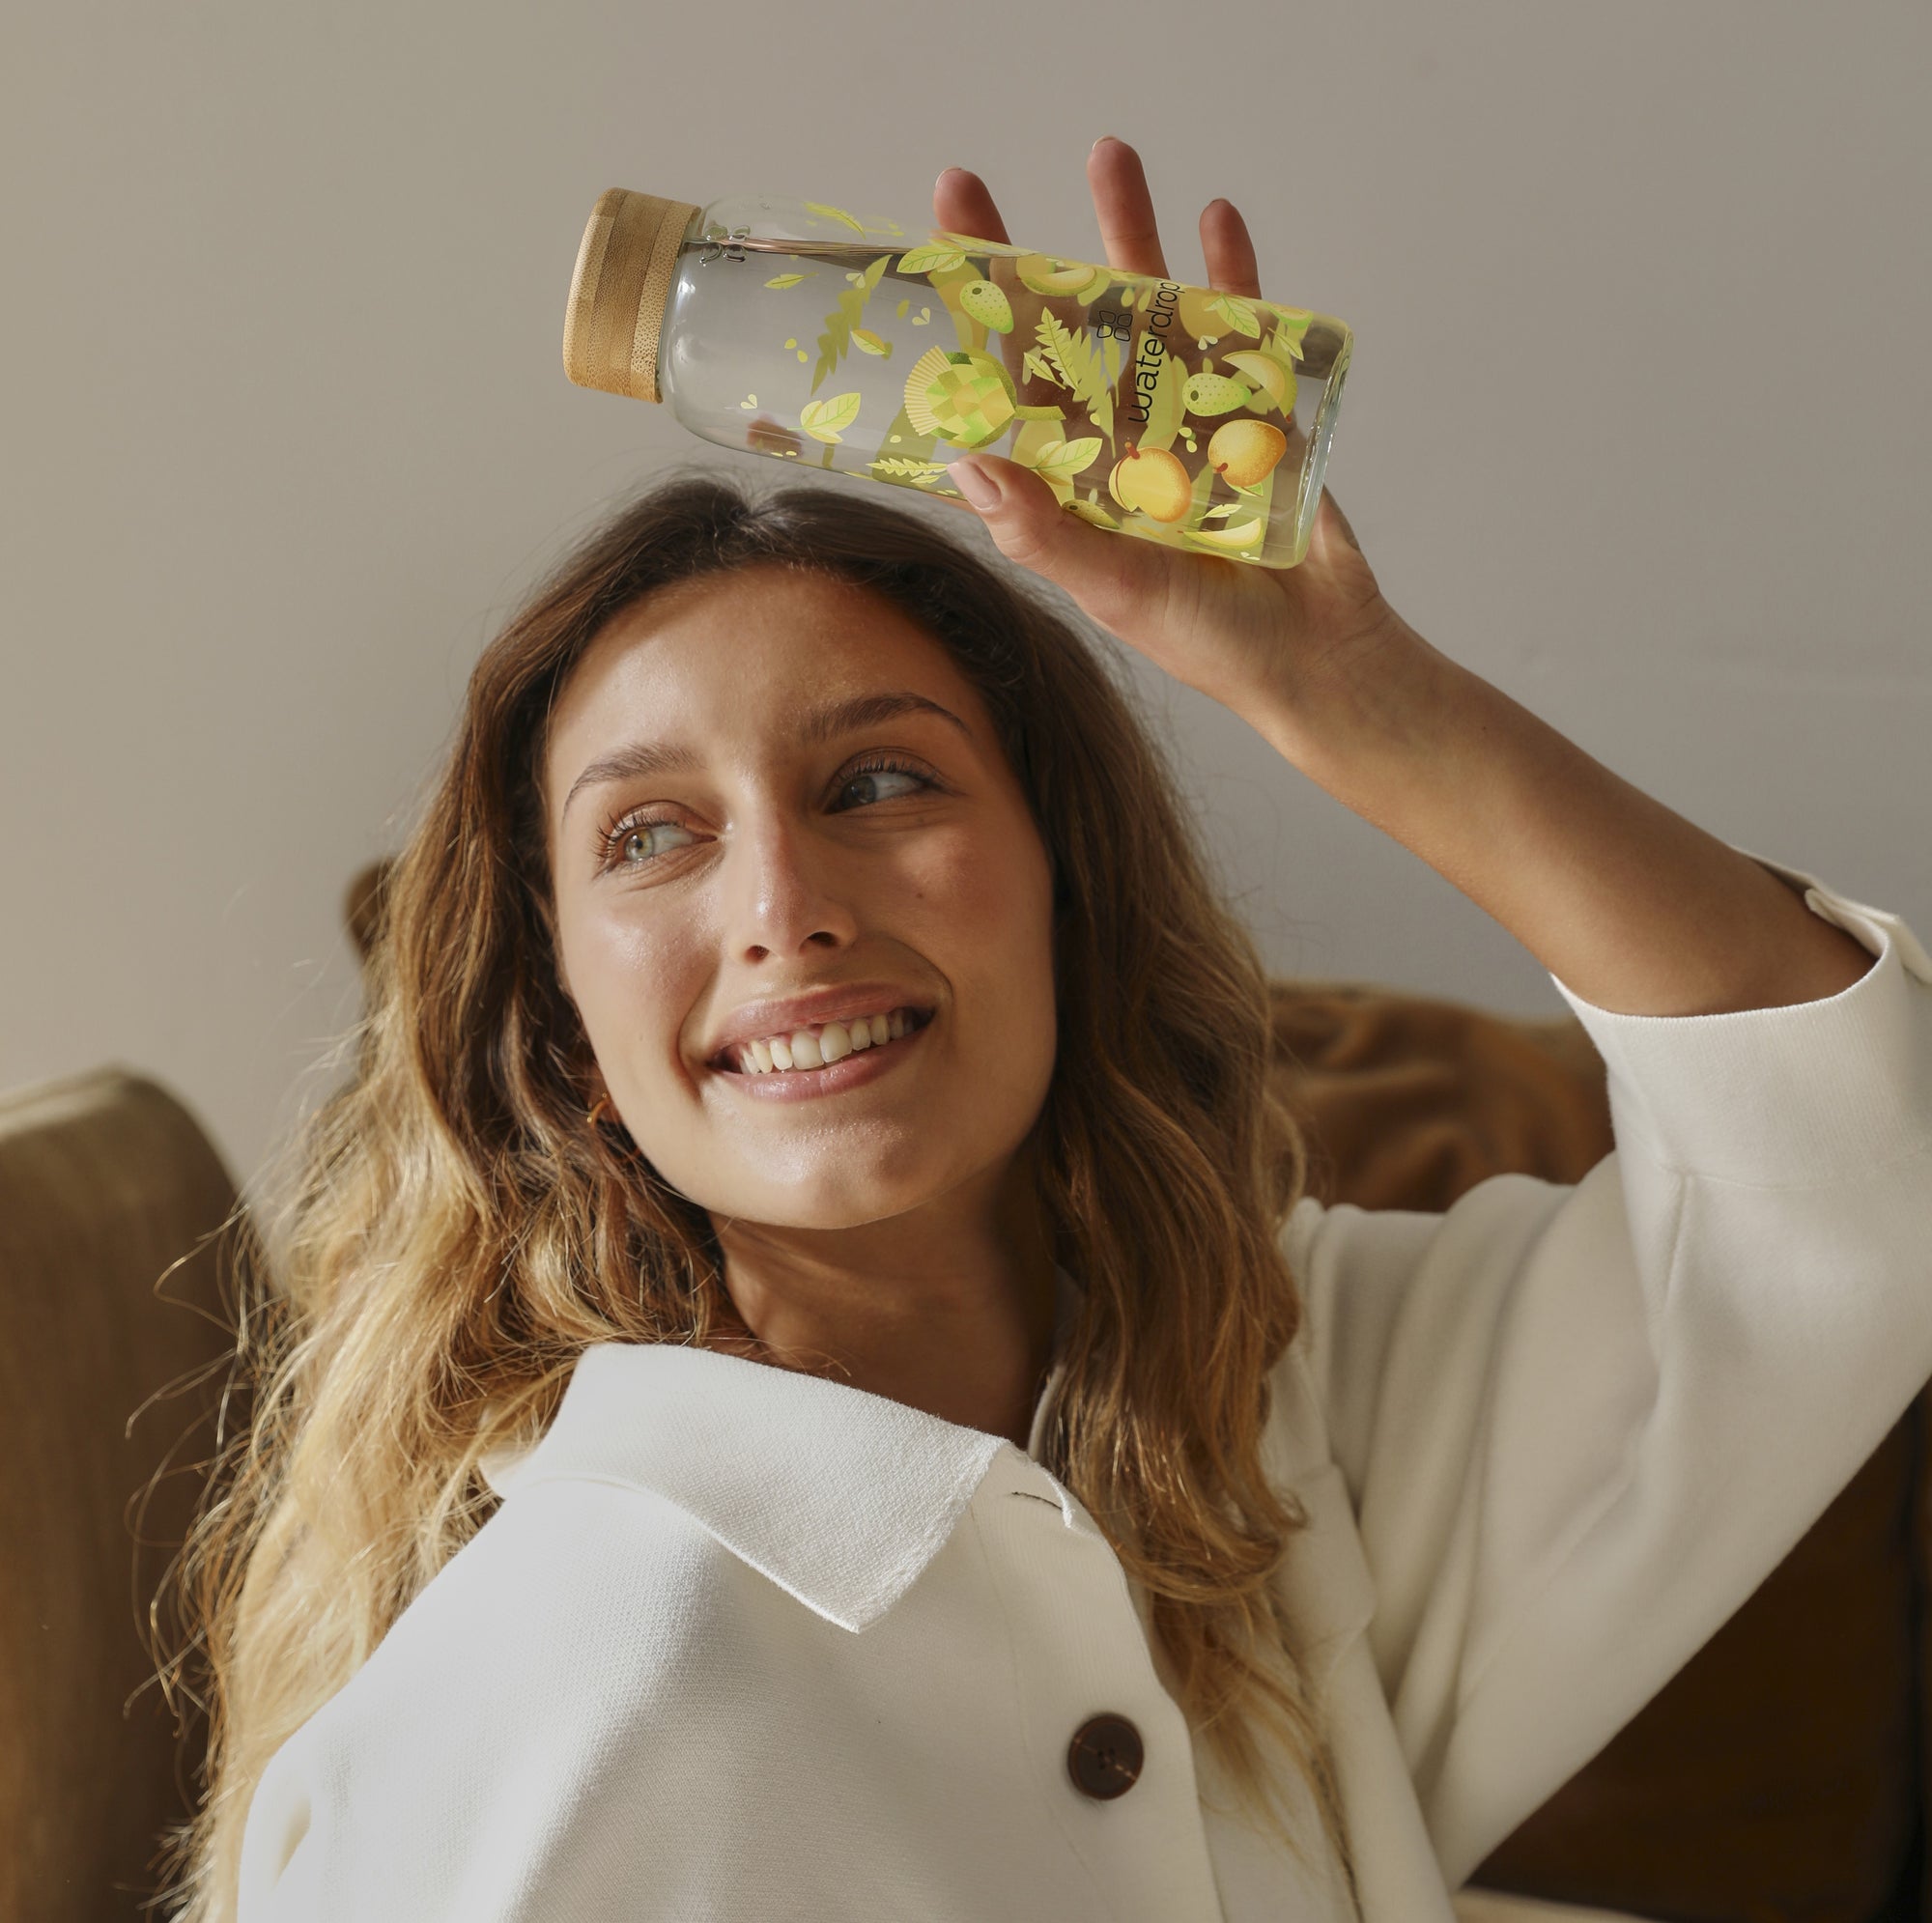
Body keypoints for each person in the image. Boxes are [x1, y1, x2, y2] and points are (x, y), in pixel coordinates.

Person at [155, 139, 1932, 1923]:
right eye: (654, 833)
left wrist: (1345, 688)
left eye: (877, 779)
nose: (785, 904)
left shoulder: (1277, 1411)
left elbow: (1855, 1169)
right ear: (561, 1022)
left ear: (1065, 881)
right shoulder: (586, 1691)